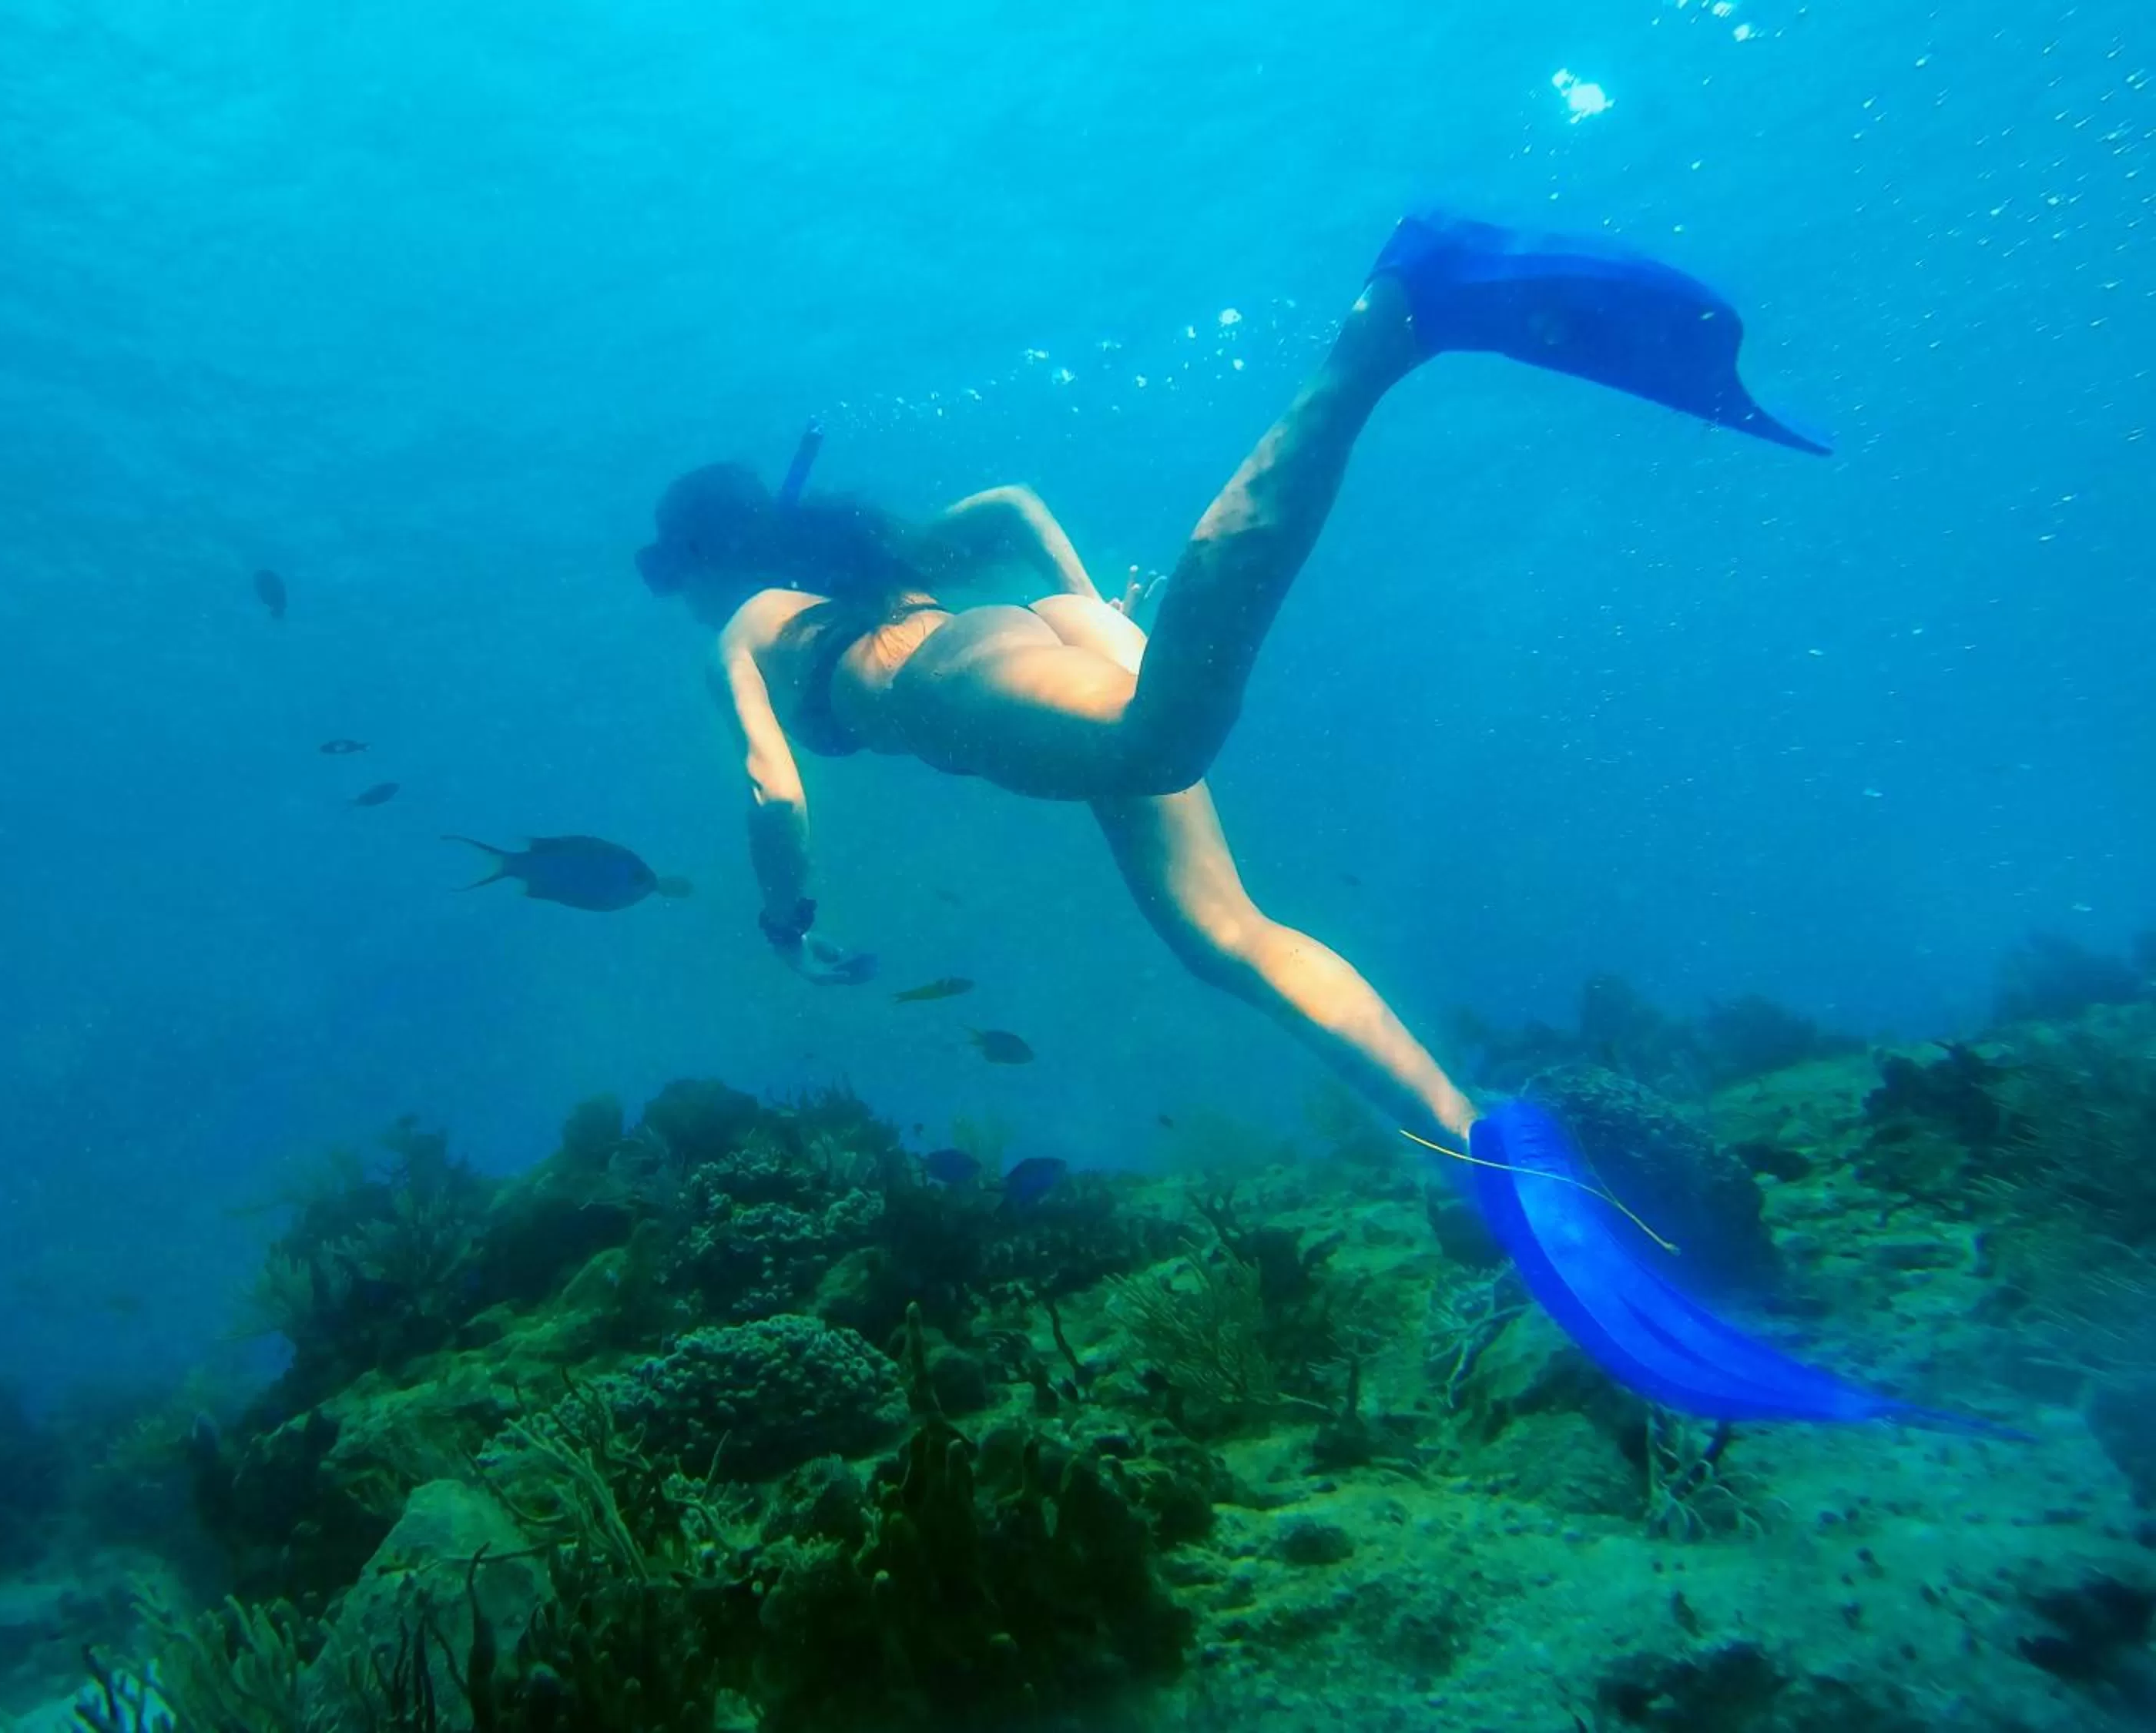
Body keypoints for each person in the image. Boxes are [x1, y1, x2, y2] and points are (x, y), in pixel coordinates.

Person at [633, 213, 1823, 1149]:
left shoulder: (744, 622)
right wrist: (1091, 605)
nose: (680, 599)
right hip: (1032, 646)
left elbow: (773, 793)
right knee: (1226, 934)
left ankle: (1389, 328)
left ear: (708, 553)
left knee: (1161, 746)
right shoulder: (859, 564)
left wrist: (786, 923)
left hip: (963, 691)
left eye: (672, 572)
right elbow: (1009, 507)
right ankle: (1470, 1132)